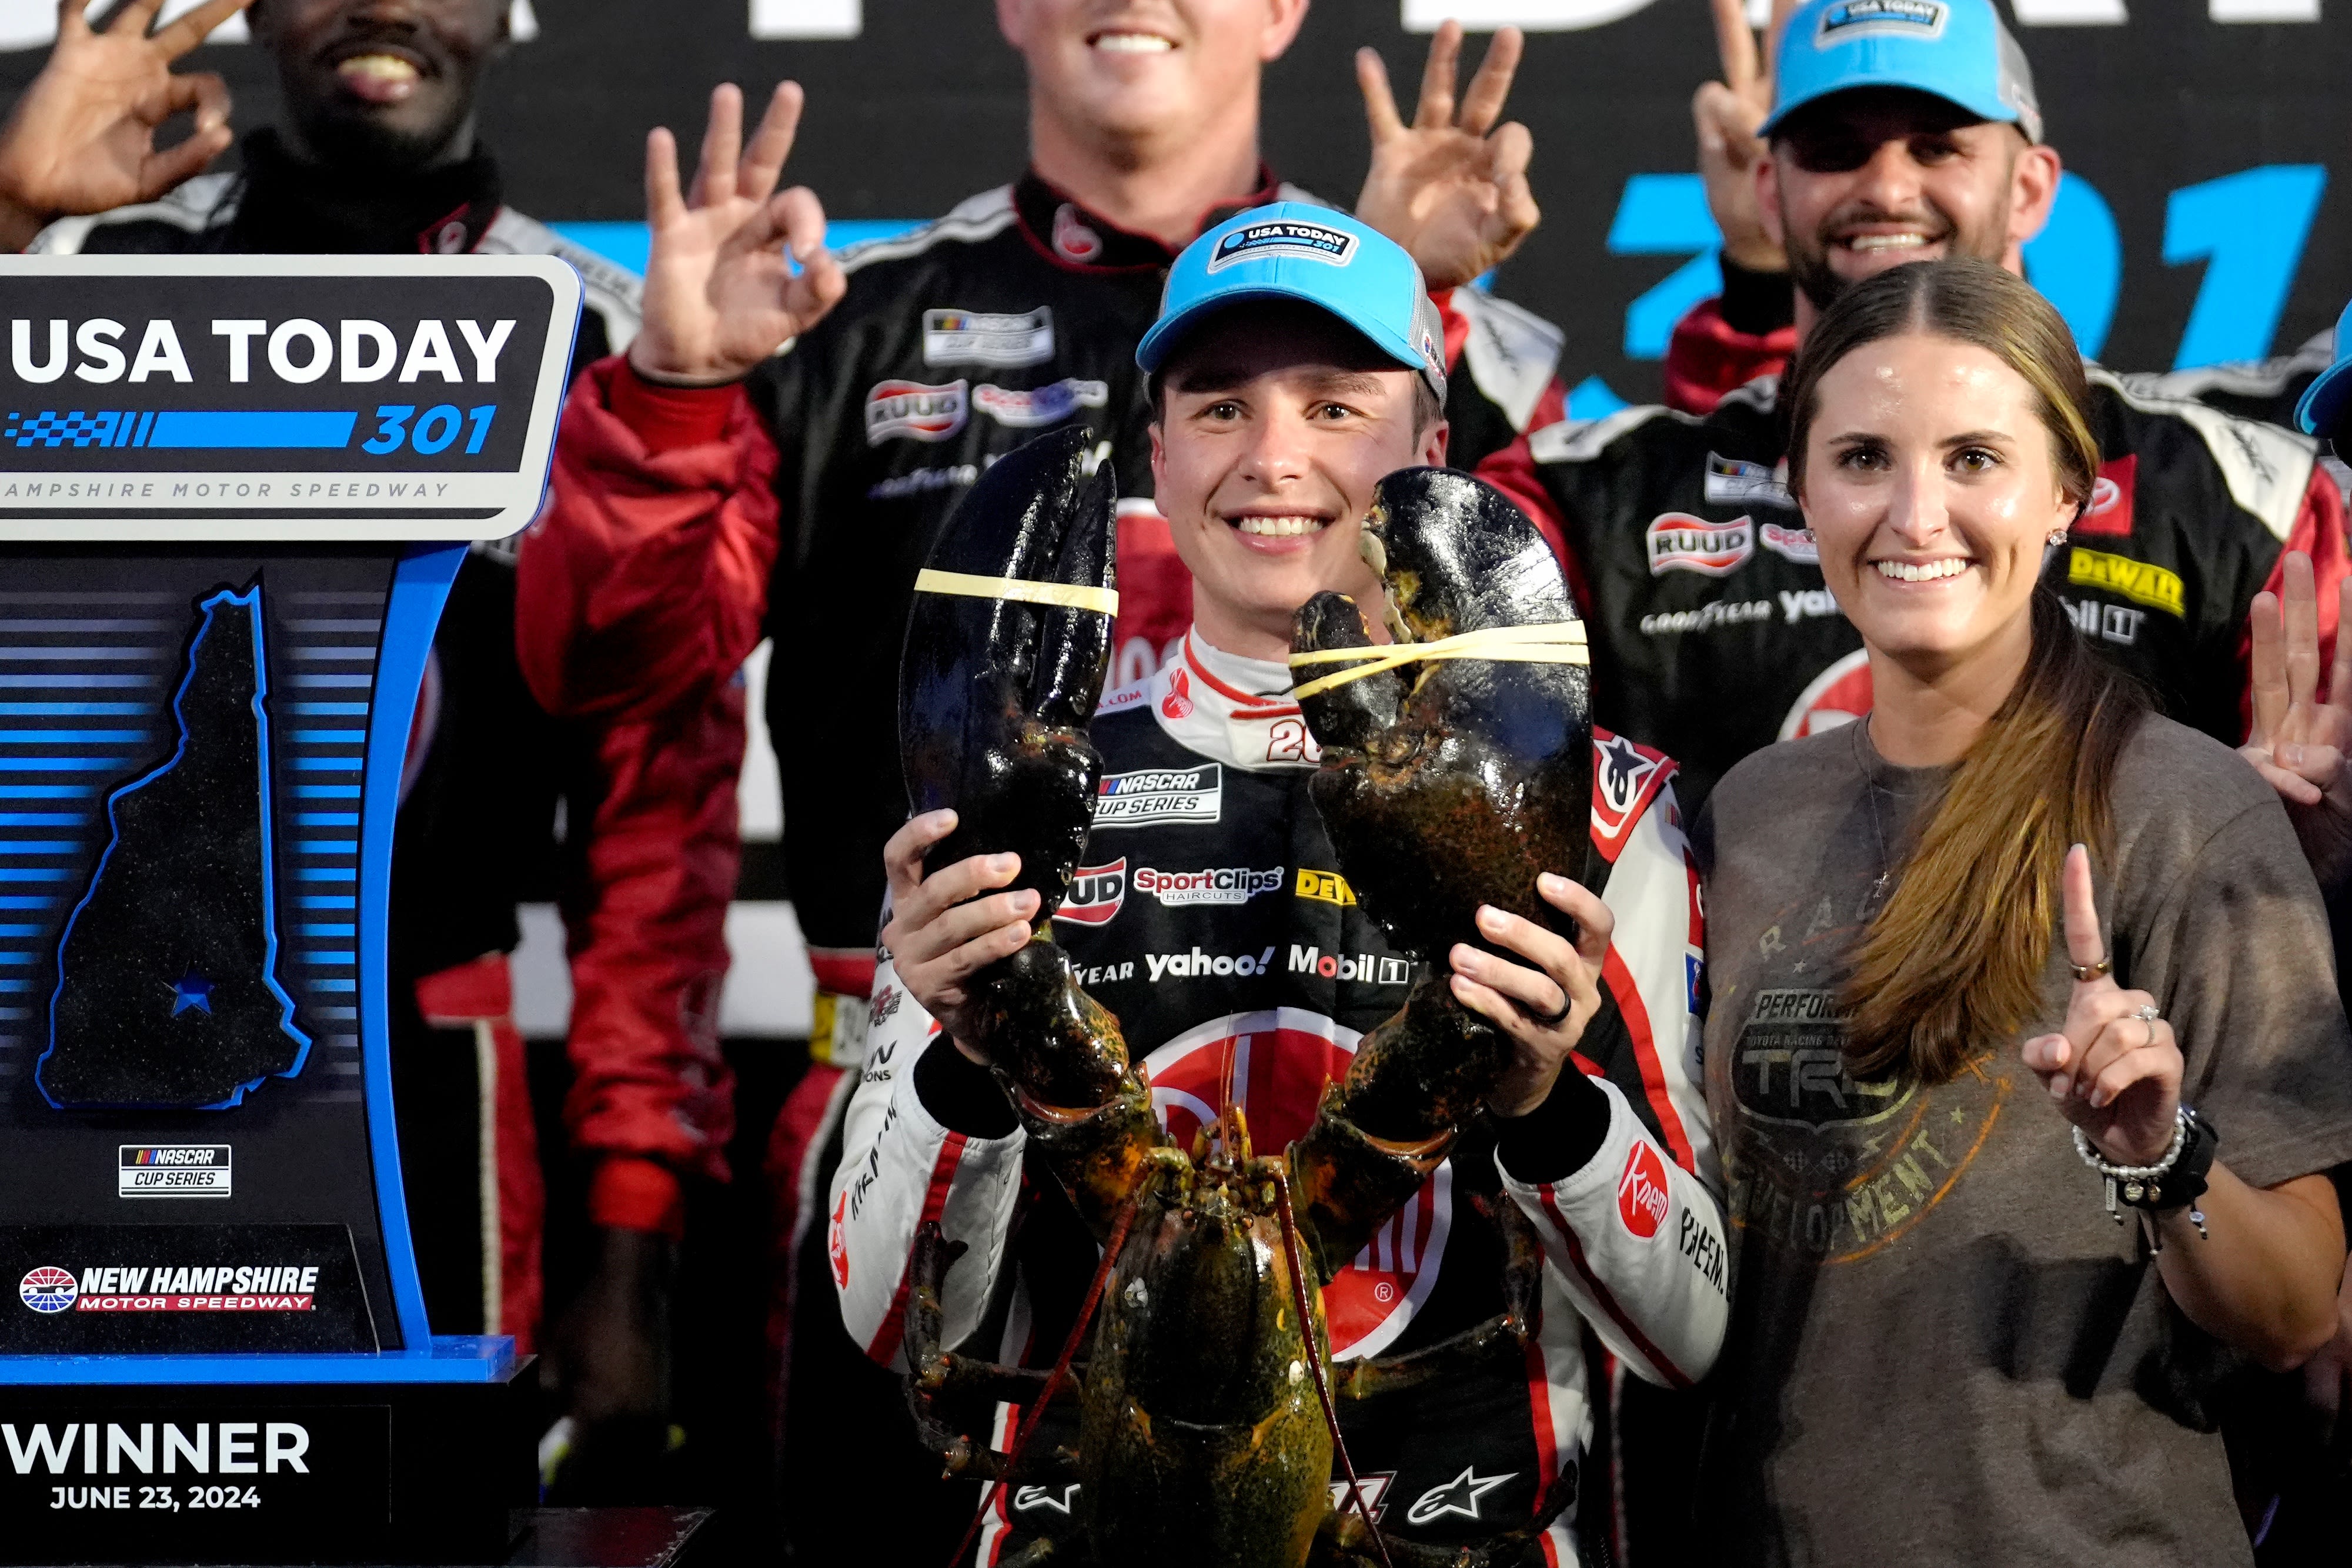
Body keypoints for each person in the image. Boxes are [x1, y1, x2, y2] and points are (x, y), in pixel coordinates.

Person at [514, 4, 1556, 1523]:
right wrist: (674, 396)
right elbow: (610, 672)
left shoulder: (1439, 340)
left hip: (1354, 1156)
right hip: (938, 1120)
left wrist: (1419, 314)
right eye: (1219, 407)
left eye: (1326, 401)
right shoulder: (846, 320)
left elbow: (1527, 710)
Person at [834, 203, 1724, 1566]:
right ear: (1153, 450)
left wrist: (1549, 1104)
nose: (1273, 458)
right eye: (1218, 407)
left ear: (1432, 449)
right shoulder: (1007, 800)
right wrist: (959, 1060)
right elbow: (886, 1323)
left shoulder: (1596, 808)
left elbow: (1690, 1331)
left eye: (1332, 404)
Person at [0, 0, 643, 1356]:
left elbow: (652, 787)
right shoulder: (95, 268)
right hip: (94, 1048)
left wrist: (631, 1216)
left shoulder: (601, 332)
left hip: (436, 1054)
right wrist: (5, 223)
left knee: (438, 1518)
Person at [1690, 256, 2352, 1564]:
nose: (1915, 511)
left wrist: (2164, 1154)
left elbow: (2292, 1310)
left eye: (1975, 458)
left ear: (2066, 494)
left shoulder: (2187, 810)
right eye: (1864, 456)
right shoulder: (1744, 815)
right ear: (1800, 489)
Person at [1478, 0, 2350, 812]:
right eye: (1835, 150)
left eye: (1937, 147)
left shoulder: (2242, 495)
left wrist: (2304, 834)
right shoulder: (1596, 491)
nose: (1888, 189)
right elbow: (1407, 590)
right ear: (1768, 193)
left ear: (2033, 188)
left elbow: (2318, 797)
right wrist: (1419, 292)